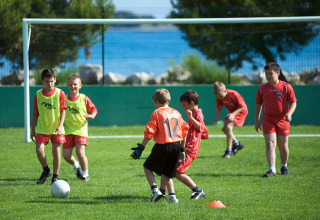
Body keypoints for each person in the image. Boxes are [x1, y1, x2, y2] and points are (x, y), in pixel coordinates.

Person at [130, 88, 189, 203]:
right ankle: (172, 197)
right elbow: (185, 131)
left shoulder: (156, 113)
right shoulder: (177, 113)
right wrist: (182, 149)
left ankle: (155, 191)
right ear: (169, 100)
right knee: (167, 172)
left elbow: (150, 132)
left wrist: (141, 147)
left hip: (163, 145)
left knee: (147, 167)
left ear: (157, 102)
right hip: (176, 146)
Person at [255, 62, 297, 177]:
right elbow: (258, 105)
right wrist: (256, 121)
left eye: (271, 73)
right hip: (268, 119)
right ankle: (272, 170)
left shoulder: (286, 87)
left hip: (283, 120)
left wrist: (290, 113)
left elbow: (293, 103)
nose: (268, 76)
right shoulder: (262, 88)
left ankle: (284, 166)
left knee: (283, 146)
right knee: (270, 143)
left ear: (278, 73)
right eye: (266, 74)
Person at [30, 68, 66, 184]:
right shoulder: (38, 95)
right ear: (42, 81)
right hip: (42, 128)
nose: (49, 84)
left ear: (55, 79)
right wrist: (32, 130)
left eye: (51, 81)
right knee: (39, 150)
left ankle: (55, 176)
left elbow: (63, 110)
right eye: (47, 81)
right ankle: (46, 170)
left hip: (56, 129)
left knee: (56, 153)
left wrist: (60, 126)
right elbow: (35, 113)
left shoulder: (60, 93)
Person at [63, 74, 97, 181]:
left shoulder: (84, 98)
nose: (73, 86)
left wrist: (91, 116)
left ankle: (85, 173)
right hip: (68, 130)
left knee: (80, 152)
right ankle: (76, 165)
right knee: (66, 155)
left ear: (80, 85)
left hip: (81, 130)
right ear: (67, 86)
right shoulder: (64, 99)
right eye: (70, 84)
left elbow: (94, 110)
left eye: (75, 84)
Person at [175, 90, 208, 199]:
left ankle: (198, 190)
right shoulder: (193, 114)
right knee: (172, 170)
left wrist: (190, 118)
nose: (183, 107)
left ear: (192, 103)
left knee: (177, 172)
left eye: (184, 105)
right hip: (187, 147)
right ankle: (163, 192)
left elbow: (200, 127)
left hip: (190, 149)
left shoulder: (197, 113)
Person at [213, 82, 248, 158]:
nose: (219, 98)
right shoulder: (219, 97)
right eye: (217, 96)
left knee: (228, 127)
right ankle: (236, 143)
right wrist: (216, 120)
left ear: (225, 91)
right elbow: (218, 109)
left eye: (220, 96)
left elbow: (242, 107)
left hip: (241, 112)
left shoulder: (234, 94)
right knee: (222, 126)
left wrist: (233, 114)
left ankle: (228, 151)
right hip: (232, 113)